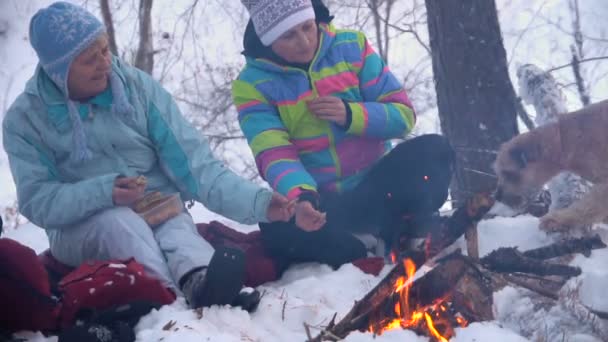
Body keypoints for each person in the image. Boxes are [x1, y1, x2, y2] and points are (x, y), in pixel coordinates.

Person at [2, 1, 295, 310]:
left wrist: (259, 203)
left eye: (105, 50)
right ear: (58, 71)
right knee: (118, 224)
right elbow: (37, 200)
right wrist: (104, 193)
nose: (105, 63)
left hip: (155, 206)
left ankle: (204, 282)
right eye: (91, 59)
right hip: (83, 227)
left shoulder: (136, 87)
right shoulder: (25, 121)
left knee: (176, 226)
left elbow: (195, 165)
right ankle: (165, 301)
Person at [233, 0, 455, 271]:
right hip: (323, 203)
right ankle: (358, 247)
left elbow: (403, 116)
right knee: (275, 228)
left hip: (378, 187)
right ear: (267, 40)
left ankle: (404, 229)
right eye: (288, 36)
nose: (303, 41)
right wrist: (303, 197)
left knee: (435, 150)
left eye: (307, 27)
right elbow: (273, 152)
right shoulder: (251, 85)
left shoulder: (352, 47)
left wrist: (352, 116)